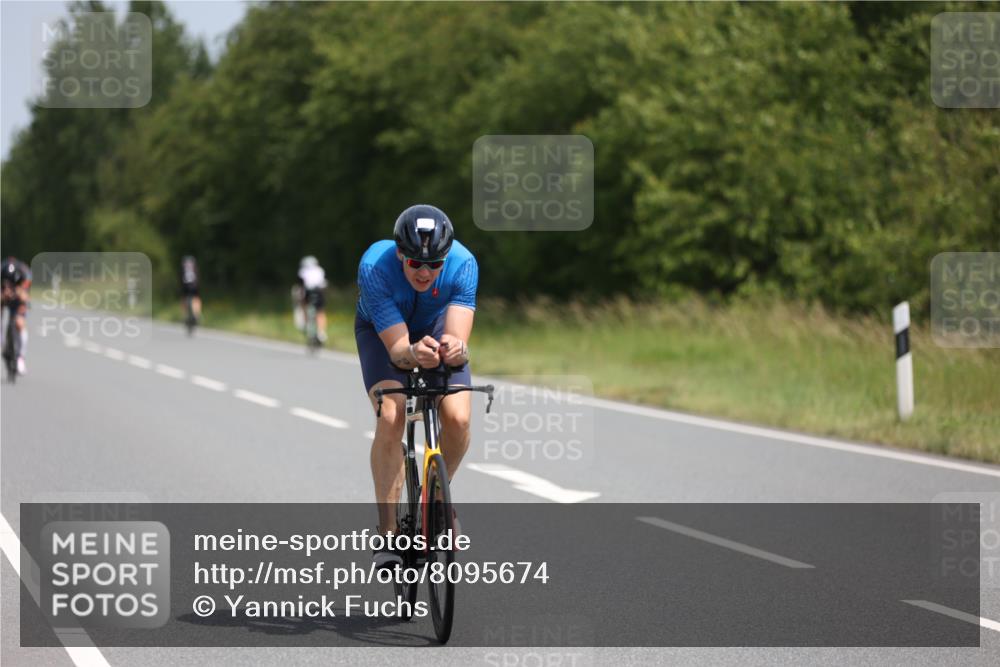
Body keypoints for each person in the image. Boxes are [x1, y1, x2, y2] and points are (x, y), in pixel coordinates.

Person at [355, 204, 478, 568]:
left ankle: (437, 502)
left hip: (435, 327)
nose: (425, 272)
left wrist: (456, 349)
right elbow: (397, 351)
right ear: (400, 255)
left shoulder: (463, 264)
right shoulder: (375, 266)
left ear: (446, 258)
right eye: (415, 263)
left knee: (457, 418)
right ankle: (388, 533)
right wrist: (411, 352)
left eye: (434, 264)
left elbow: (457, 339)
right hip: (383, 334)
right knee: (391, 415)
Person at [1, 256, 32, 375]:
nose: (9, 286)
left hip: (18, 299)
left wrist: (18, 293)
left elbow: (25, 296)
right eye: (6, 283)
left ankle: (20, 358)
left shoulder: (24, 273)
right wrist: (3, 295)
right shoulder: (2, 271)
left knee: (19, 323)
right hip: (3, 298)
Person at [296, 256, 328, 343]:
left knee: (304, 306)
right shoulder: (320, 270)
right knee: (320, 311)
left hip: (308, 292)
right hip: (319, 292)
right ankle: (321, 332)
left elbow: (301, 285)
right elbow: (323, 283)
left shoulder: (303, 271)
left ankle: (306, 323)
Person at [179, 255, 201, 323]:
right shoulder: (195, 267)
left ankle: (185, 315)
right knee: (196, 299)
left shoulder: (183, 268)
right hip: (194, 286)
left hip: (185, 286)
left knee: (183, 299)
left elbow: (180, 279)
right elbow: (197, 278)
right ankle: (196, 314)